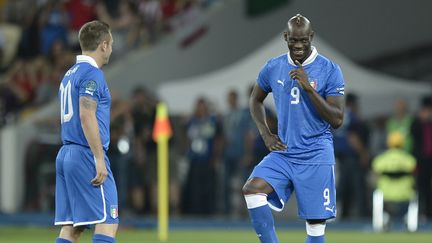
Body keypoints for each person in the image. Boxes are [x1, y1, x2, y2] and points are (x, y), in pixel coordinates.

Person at [242, 14, 345, 243]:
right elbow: (255, 100)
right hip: (285, 152)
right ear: (286, 37)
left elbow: (337, 119)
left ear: (311, 37)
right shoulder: (273, 67)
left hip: (316, 154)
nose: (298, 46)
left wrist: (309, 88)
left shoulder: (330, 70)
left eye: (303, 41)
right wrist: (266, 134)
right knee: (252, 189)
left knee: (315, 226)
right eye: (293, 41)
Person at [54, 20, 118, 243]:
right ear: (103, 45)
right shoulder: (92, 74)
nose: (111, 49)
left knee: (73, 228)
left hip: (66, 154)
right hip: (85, 154)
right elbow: (85, 115)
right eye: (110, 44)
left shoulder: (70, 74)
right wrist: (99, 158)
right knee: (107, 222)